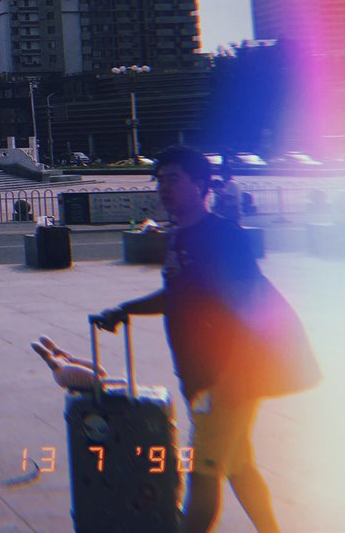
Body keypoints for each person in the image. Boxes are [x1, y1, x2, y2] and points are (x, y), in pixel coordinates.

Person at [96, 146, 320, 533]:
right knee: (238, 466)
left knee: (203, 474)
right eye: (160, 181)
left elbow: (251, 308)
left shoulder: (221, 235)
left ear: (200, 184)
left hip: (225, 379)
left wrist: (233, 378)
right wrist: (125, 309)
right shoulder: (179, 237)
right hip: (201, 377)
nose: (164, 188)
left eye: (174, 179)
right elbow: (177, 296)